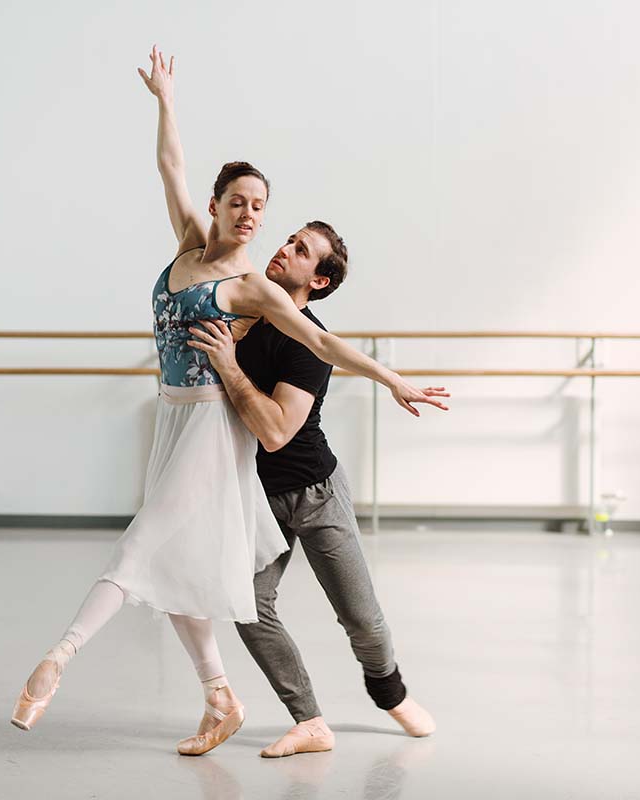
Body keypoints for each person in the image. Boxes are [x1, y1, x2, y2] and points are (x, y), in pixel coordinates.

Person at [10, 46, 447, 757]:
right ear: (217, 206)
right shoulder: (199, 252)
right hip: (202, 442)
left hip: (261, 456)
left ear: (316, 277)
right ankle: (248, 704)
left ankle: (58, 660)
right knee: (212, 586)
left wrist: (393, 380)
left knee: (339, 611)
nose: (256, 223)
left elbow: (308, 377)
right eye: (242, 206)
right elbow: (171, 169)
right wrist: (166, 101)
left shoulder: (265, 302)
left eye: (269, 217)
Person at [187, 223, 448, 758]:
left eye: (300, 251)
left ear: (320, 280)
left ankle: (390, 694)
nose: (283, 250)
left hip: (314, 492)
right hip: (257, 494)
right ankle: (309, 722)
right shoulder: (244, 312)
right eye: (288, 240)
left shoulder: (305, 342)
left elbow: (276, 431)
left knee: (361, 617)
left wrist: (230, 368)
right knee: (249, 606)